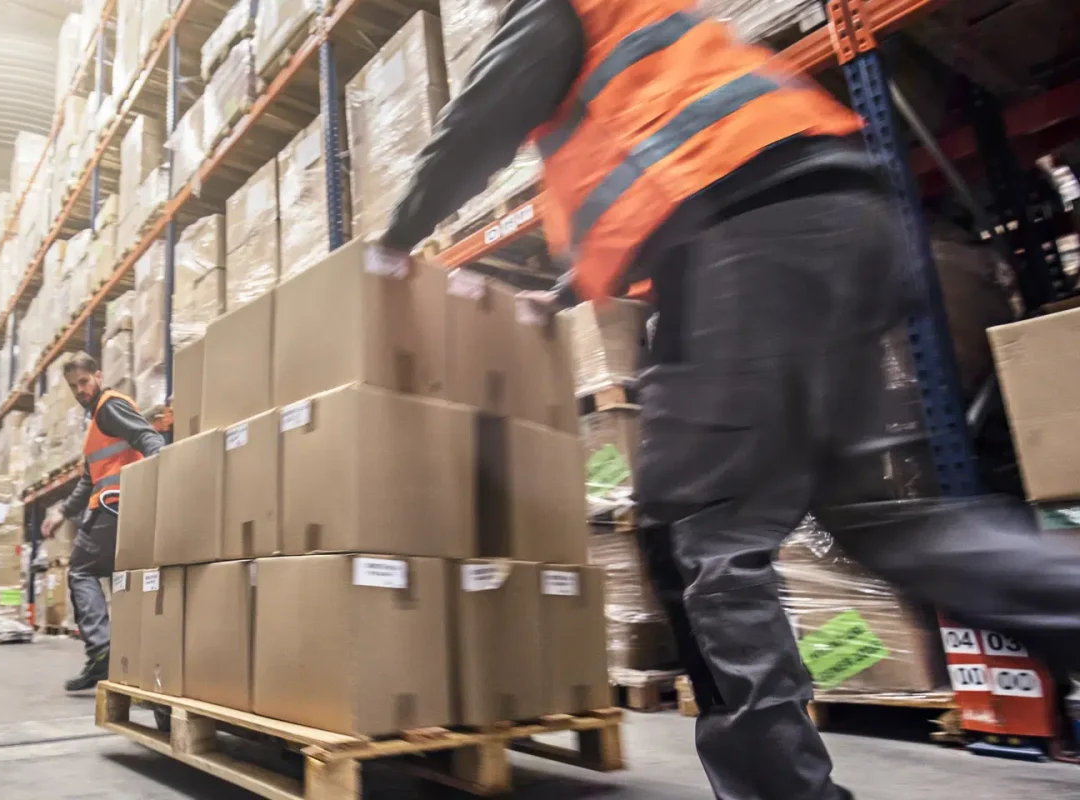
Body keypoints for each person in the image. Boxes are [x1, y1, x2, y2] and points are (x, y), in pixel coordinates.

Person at [368, 1, 1080, 797]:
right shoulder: (635, 19)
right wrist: (570, 286)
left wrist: (392, 243)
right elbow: (660, 151)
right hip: (834, 221)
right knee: (891, 525)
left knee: (701, 535)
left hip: (749, 240)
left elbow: (480, 122)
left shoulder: (554, 9)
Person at [43, 353, 163, 692]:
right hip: (118, 506)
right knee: (119, 583)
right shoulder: (96, 422)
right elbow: (87, 479)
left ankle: (100, 653)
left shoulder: (109, 406)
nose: (80, 390)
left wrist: (163, 476)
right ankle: (126, 660)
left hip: (114, 506)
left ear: (98, 376)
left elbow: (149, 438)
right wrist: (61, 514)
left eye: (84, 382)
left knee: (81, 570)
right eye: (73, 386)